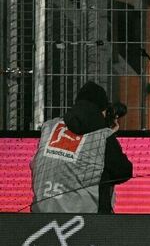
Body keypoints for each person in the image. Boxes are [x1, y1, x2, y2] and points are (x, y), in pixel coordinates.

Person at [31, 82, 132, 213]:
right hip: (84, 220)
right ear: (101, 111)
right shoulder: (102, 136)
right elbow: (123, 172)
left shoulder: (49, 126)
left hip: (40, 214)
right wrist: (109, 135)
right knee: (105, 174)